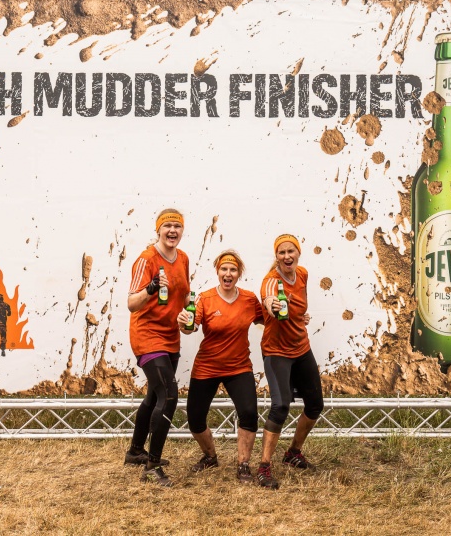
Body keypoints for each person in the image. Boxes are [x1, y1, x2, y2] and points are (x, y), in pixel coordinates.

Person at [177, 250, 264, 484]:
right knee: (195, 418)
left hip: (239, 367)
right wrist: (183, 324)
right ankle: (210, 456)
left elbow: (269, 319)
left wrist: (296, 316)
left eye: (233, 270)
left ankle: (243, 464)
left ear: (238, 274)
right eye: (224, 269)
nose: (228, 273)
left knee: (249, 414)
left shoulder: (249, 299)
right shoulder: (205, 298)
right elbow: (191, 327)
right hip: (207, 366)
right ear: (217, 272)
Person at [125, 209, 190, 487]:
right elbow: (131, 303)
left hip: (170, 336)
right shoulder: (147, 259)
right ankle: (152, 466)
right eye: (168, 226)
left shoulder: (183, 258)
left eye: (177, 226)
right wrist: (151, 287)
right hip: (147, 335)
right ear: (158, 230)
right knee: (169, 395)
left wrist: (188, 317)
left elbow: (185, 297)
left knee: (154, 396)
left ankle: (135, 452)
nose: (172, 231)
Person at [256, 234, 324, 489]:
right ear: (276, 256)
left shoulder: (302, 274)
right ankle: (264, 466)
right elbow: (269, 298)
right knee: (280, 406)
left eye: (290, 251)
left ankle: (293, 452)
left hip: (301, 348)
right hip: (277, 352)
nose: (286, 256)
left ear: (298, 253)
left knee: (315, 405)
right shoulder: (271, 282)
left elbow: (298, 305)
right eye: (281, 252)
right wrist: (271, 304)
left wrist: (301, 317)